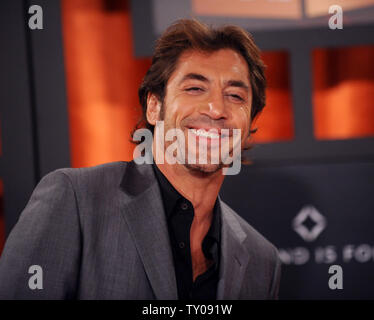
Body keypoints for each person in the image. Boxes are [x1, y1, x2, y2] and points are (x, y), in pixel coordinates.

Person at [0, 19, 281, 299]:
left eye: (234, 95)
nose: (217, 109)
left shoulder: (262, 260)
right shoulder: (75, 201)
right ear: (154, 106)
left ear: (249, 123)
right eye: (195, 88)